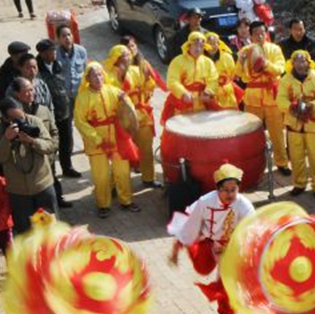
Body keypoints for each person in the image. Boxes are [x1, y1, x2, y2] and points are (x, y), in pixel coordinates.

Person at [168, 164, 255, 314]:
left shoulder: (245, 206)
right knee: (203, 268)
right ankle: (193, 247)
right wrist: (177, 248)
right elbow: (189, 225)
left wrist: (235, 247)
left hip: (231, 244)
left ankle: (227, 312)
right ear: (217, 189)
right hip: (207, 239)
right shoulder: (205, 202)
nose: (230, 194)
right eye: (225, 190)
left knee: (228, 278)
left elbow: (251, 230)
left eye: (233, 189)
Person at [74, 63, 140, 218]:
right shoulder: (82, 97)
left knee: (123, 171)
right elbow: (80, 122)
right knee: (100, 175)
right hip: (96, 141)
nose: (98, 77)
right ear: (88, 78)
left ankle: (126, 200)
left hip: (117, 138)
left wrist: (125, 100)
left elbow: (128, 108)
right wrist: (96, 139)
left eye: (100, 74)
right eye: (94, 75)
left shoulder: (113, 90)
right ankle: (103, 204)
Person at [0, 98, 58, 235]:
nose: (21, 121)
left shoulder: (34, 122)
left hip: (42, 186)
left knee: (49, 230)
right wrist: (7, 139)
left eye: (21, 116)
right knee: (26, 232)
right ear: (5, 118)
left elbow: (50, 146)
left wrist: (32, 141)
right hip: (18, 191)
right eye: (14, 119)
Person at [236, 21, 289, 174]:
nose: (260, 36)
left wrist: (266, 64)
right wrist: (241, 61)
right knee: (251, 132)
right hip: (253, 98)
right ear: (250, 35)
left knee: (277, 133)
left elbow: (280, 68)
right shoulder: (245, 50)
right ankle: (252, 163)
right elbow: (238, 73)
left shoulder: (275, 49)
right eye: (256, 33)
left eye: (262, 33)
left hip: (273, 97)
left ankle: (281, 162)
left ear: (266, 33)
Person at [10, 77, 70, 209]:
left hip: (47, 156)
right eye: (26, 91)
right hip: (30, 162)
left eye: (31, 90)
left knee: (51, 185)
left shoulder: (43, 110)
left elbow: (54, 131)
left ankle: (58, 201)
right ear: (17, 94)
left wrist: (53, 148)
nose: (30, 93)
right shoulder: (15, 115)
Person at [277, 50, 315, 198]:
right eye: (297, 61)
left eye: (303, 61)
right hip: (294, 126)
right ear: (292, 63)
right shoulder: (285, 80)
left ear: (309, 62)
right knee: (296, 157)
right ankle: (299, 183)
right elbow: (280, 100)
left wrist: (310, 106)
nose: (300, 64)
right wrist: (291, 107)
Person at [120, 36, 164, 187]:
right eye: (127, 47)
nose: (131, 49)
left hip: (144, 113)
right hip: (126, 115)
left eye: (133, 46)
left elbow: (156, 82)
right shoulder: (117, 69)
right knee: (125, 150)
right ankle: (120, 183)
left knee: (146, 148)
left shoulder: (144, 65)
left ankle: (148, 178)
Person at [37, 39, 81, 179]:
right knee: (52, 145)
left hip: (64, 110)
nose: (54, 53)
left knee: (66, 142)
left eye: (54, 50)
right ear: (42, 53)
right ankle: (52, 173)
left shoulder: (58, 65)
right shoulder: (38, 70)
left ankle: (67, 167)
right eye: (50, 51)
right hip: (49, 114)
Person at [163, 32, 219, 123]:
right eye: (195, 45)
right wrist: (183, 93)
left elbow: (213, 79)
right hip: (182, 102)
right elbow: (172, 80)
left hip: (202, 101)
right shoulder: (177, 61)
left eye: (201, 46)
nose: (198, 49)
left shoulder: (208, 62)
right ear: (189, 46)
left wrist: (208, 91)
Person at [204, 32, 239, 110]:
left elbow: (232, 75)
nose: (212, 46)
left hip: (227, 95)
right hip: (209, 95)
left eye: (215, 43)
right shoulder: (201, 60)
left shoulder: (227, 57)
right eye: (209, 44)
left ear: (218, 43)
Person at [56, 25, 88, 109]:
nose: (67, 38)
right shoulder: (55, 55)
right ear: (58, 39)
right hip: (65, 97)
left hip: (81, 94)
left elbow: (86, 71)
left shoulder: (81, 51)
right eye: (63, 36)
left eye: (69, 35)